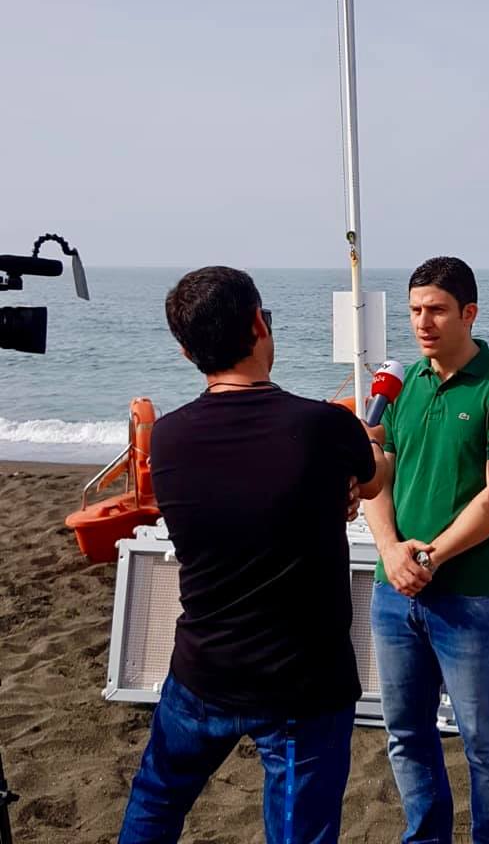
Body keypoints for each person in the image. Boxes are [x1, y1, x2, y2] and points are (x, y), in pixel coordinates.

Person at [118, 265, 386, 844]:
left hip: (202, 670)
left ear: (188, 350)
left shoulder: (168, 439)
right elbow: (373, 479)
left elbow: (243, 494)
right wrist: (362, 452)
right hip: (302, 682)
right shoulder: (321, 427)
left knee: (156, 803)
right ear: (259, 325)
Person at [364, 256, 489, 844]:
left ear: (469, 313)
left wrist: (429, 557)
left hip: (471, 599)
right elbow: (377, 478)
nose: (422, 322)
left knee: (484, 745)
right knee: (405, 735)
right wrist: (389, 550)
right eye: (414, 310)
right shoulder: (405, 385)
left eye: (436, 310)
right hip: (395, 594)